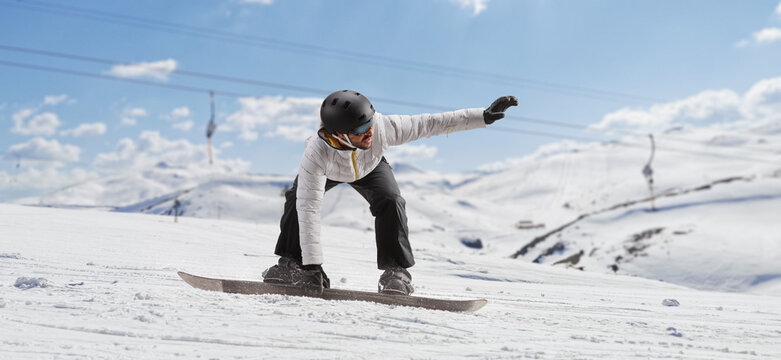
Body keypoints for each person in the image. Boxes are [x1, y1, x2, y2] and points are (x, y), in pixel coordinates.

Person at [262, 90, 518, 295]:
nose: (370, 131)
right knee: (297, 200)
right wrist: (312, 265)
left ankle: (397, 273)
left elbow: (430, 123)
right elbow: (309, 208)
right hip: (330, 169)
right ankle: (291, 264)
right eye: (361, 130)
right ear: (340, 134)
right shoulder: (316, 154)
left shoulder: (382, 127)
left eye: (370, 123)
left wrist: (481, 116)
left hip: (369, 166)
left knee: (391, 199)